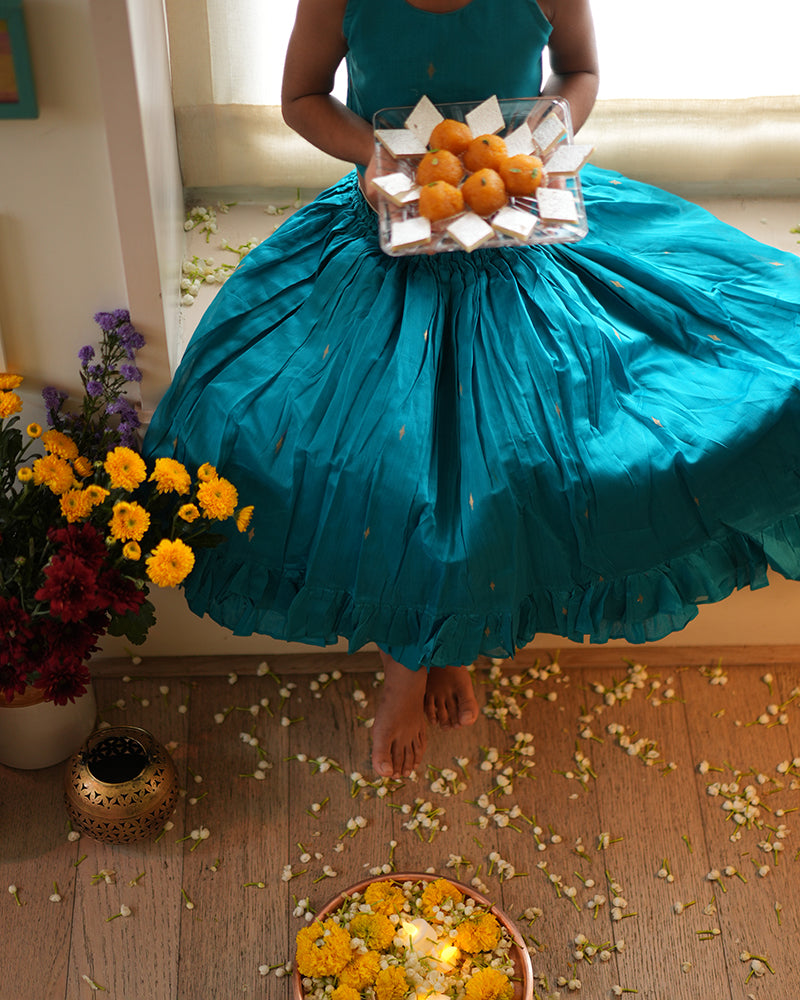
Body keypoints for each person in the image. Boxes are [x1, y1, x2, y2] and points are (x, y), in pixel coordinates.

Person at [144, 0, 800, 780]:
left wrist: (537, 141)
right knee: (395, 471)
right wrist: (373, 158)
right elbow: (301, 98)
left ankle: (451, 644)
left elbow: (581, 73)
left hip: (520, 240)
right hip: (382, 245)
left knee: (495, 472)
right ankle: (413, 666)